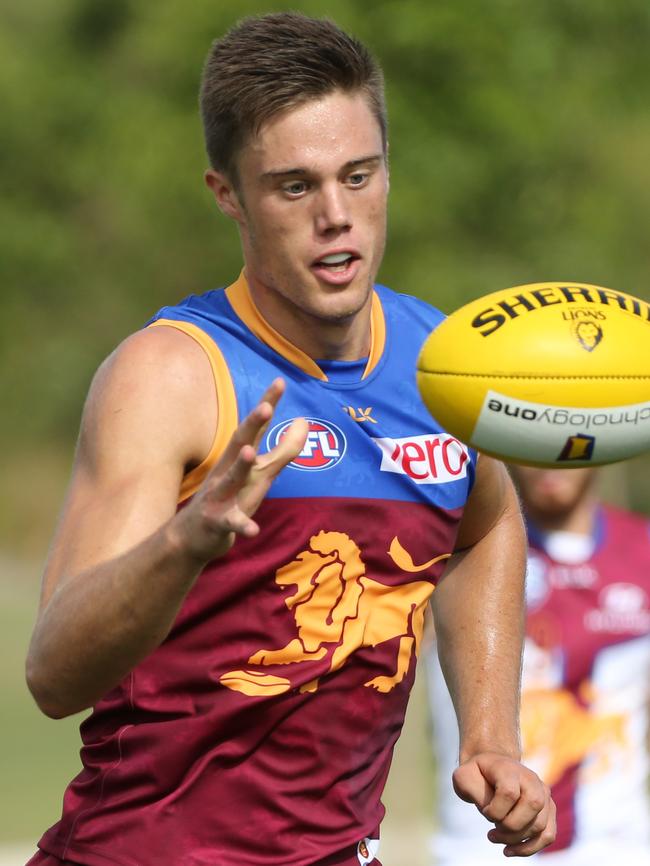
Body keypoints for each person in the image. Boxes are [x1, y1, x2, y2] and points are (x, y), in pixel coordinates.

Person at [25, 13, 555, 866]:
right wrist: (184, 542)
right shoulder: (171, 376)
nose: (337, 217)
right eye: (295, 187)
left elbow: (486, 527)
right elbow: (54, 674)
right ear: (228, 193)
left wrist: (489, 736)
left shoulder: (447, 368)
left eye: (359, 174)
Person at [426, 465, 650, 866]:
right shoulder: (446, 548)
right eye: (538, 435)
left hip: (619, 850)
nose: (552, 458)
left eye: (571, 436)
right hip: (480, 852)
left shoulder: (643, 551)